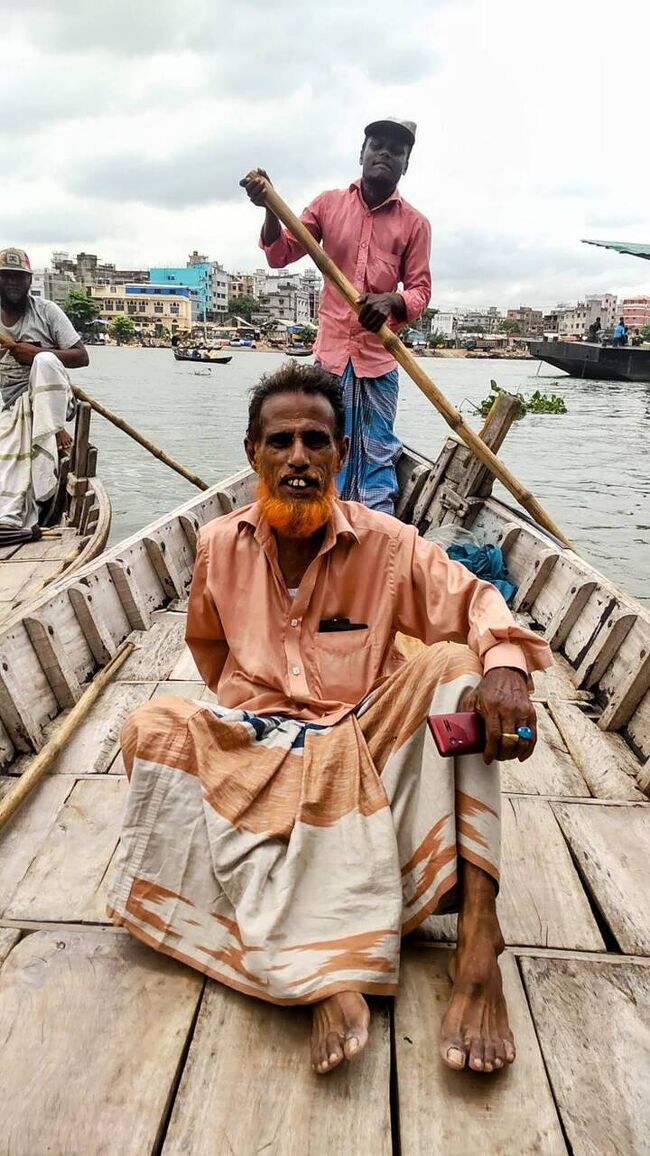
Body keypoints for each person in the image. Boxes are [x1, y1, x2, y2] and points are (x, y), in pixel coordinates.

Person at [108, 363, 552, 1078]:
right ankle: (328, 958)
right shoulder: (218, 544)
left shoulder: (388, 545)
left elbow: (475, 607)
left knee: (454, 673)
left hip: (360, 741)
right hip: (264, 744)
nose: (298, 459)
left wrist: (505, 665)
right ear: (252, 452)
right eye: (279, 442)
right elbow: (211, 653)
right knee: (149, 732)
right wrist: (252, 743)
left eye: (315, 441)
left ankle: (478, 927)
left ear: (341, 455)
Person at [241, 117, 431, 515]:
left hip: (378, 362)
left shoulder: (415, 224)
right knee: (321, 449)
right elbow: (280, 254)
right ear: (361, 154)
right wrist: (270, 207)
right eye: (376, 145)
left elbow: (419, 291)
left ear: (406, 164)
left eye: (396, 151)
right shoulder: (328, 205)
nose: (384, 154)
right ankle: (324, 524)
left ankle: (375, 534)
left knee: (377, 451)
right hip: (329, 361)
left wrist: (392, 302)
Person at [0, 248, 88, 529]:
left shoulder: (47, 311)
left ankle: (54, 428)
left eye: (19, 277)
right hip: (9, 403)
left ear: (29, 281)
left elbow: (81, 356)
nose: (13, 283)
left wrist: (34, 353)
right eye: (6, 277)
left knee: (45, 361)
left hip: (54, 400)